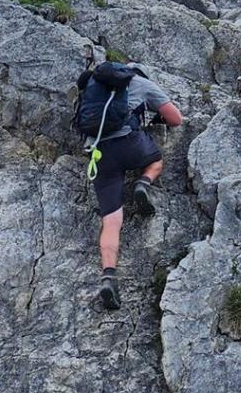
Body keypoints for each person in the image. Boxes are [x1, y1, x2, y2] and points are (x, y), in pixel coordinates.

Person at [75, 52, 184, 310]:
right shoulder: (142, 83)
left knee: (111, 222)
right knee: (156, 161)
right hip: (130, 145)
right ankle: (143, 183)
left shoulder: (95, 87)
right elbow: (175, 119)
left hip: (100, 153)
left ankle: (108, 277)